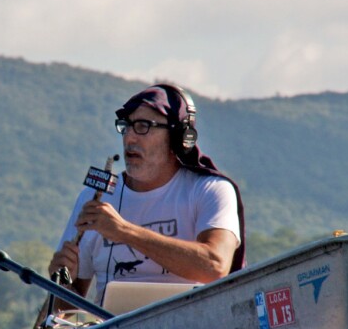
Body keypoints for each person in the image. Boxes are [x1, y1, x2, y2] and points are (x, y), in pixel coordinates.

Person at [48, 84, 246, 304]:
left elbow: (215, 265)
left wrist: (124, 232)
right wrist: (62, 284)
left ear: (179, 137)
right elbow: (66, 312)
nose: (129, 138)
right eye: (126, 126)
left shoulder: (210, 189)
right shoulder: (94, 197)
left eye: (143, 126)